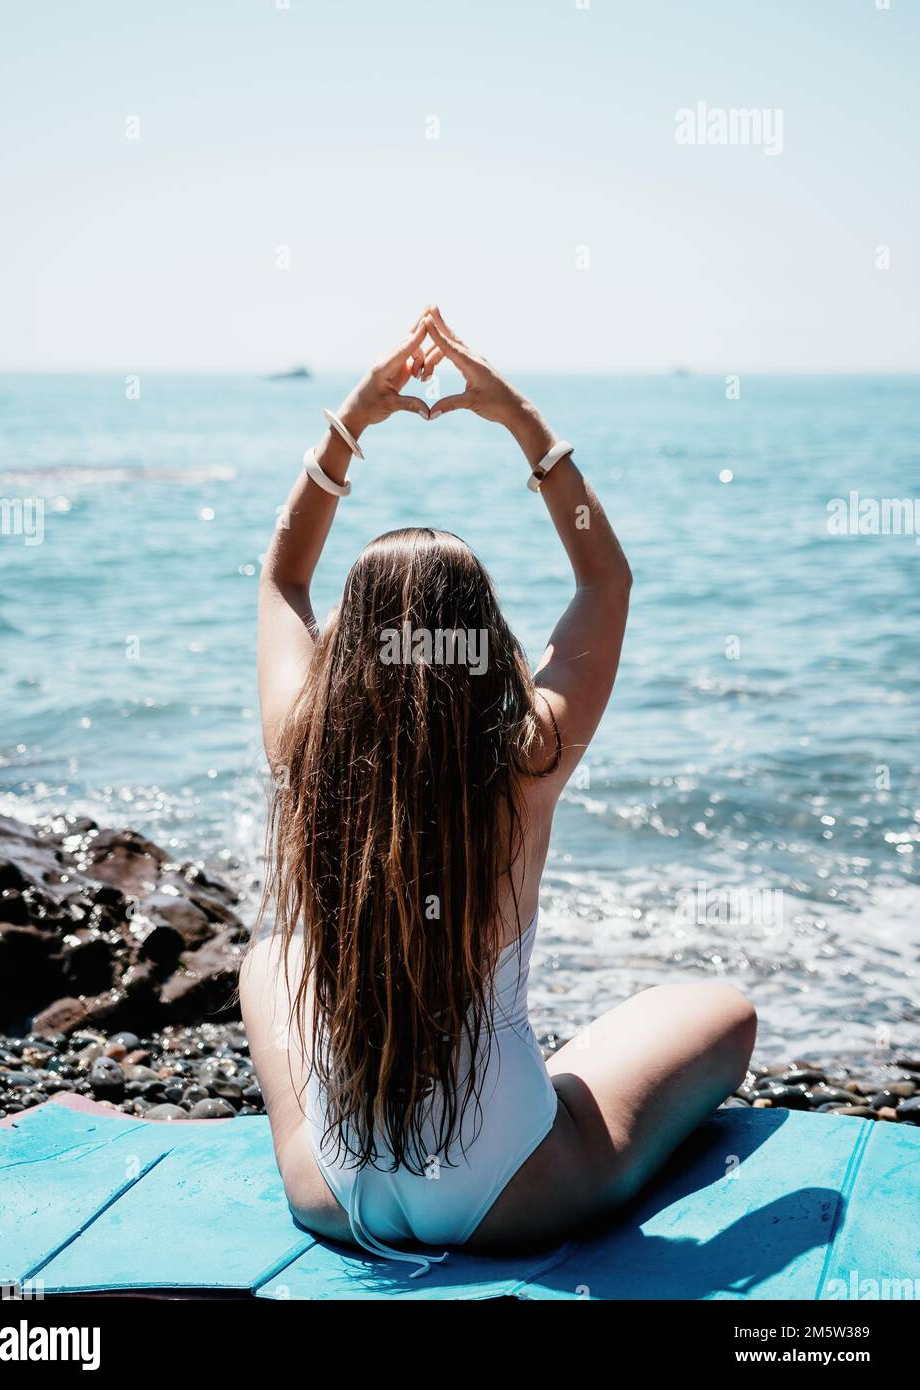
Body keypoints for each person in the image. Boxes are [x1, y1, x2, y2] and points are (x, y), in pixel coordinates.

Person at [240, 307, 756, 1275]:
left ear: (348, 656)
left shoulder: (303, 747)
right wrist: (512, 414)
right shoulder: (526, 759)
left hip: (333, 1186)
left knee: (267, 962)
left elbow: (282, 579)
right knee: (725, 1013)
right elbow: (605, 578)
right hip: (509, 1187)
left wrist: (352, 419)